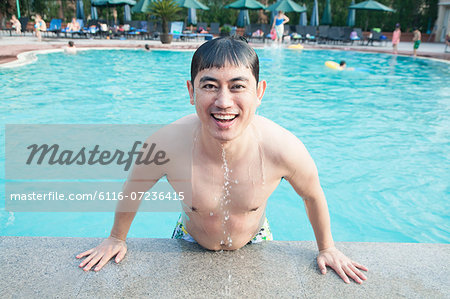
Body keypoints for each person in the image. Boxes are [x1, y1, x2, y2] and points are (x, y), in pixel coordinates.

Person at [76, 36, 368, 284]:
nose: (224, 102)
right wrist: (116, 237)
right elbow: (134, 187)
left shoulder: (282, 147)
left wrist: (327, 247)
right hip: (189, 236)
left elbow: (312, 194)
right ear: (191, 92)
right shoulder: (165, 144)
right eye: (210, 86)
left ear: (259, 92)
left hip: (256, 237)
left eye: (238, 86)